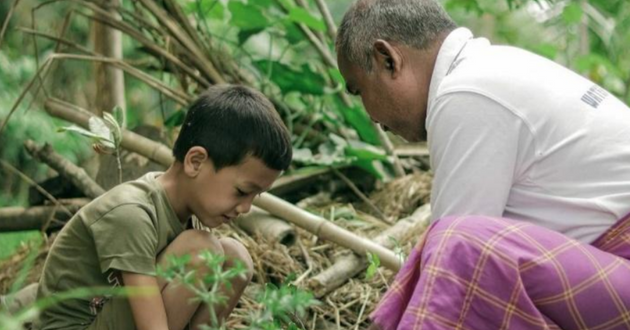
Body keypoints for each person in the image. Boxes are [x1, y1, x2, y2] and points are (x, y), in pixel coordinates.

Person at [336, 0, 630, 329]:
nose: (371, 116)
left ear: (387, 59)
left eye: (359, 90)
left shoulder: (467, 92)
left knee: (458, 245)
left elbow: (450, 266)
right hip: (611, 274)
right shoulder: (498, 66)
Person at [33, 85, 293, 330]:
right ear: (196, 161)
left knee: (236, 259)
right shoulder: (131, 213)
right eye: (242, 191)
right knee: (202, 250)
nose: (246, 208)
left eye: (255, 197)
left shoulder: (190, 214)